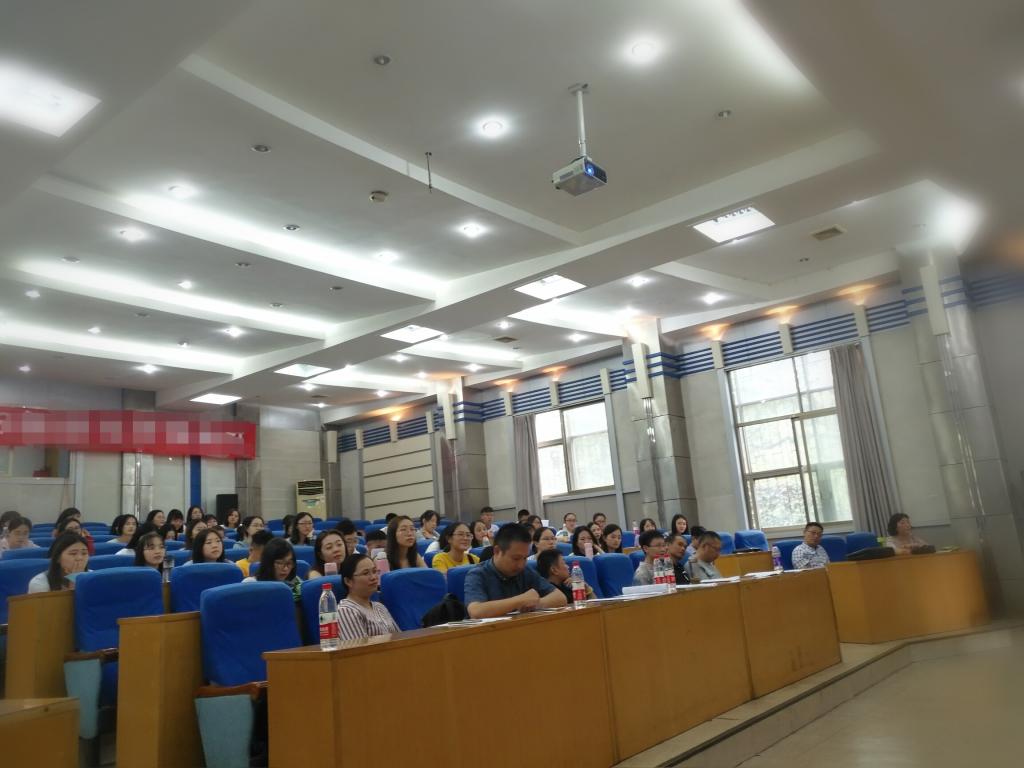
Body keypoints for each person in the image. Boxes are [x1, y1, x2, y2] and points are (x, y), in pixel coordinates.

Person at [463, 524, 567, 618]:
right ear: (497, 551)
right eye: (516, 558)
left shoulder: (525, 571)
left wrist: (535, 604)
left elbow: (560, 597)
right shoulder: (477, 574)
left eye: (525, 558)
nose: (521, 565)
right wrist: (520, 601)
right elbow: (476, 611)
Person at [336, 554, 400, 642]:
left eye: (374, 571)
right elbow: (359, 648)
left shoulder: (380, 607)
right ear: (348, 581)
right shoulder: (346, 611)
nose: (373, 577)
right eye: (365, 573)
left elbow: (400, 639)